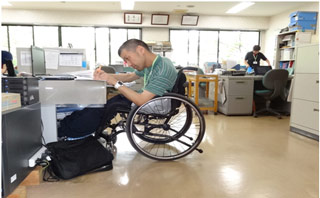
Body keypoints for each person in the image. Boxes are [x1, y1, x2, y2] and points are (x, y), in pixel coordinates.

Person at [58, 39, 178, 138]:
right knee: (103, 105)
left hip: (154, 103)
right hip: (150, 98)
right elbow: (130, 76)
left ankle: (70, 130)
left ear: (141, 50)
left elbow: (141, 100)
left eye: (128, 58)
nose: (128, 64)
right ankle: (69, 124)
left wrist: (114, 82)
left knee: (106, 107)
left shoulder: (162, 69)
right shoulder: (154, 63)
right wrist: (106, 76)